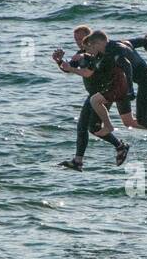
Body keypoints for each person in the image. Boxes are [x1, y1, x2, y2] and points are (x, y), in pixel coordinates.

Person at [85, 31, 147, 158]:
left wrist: (129, 90)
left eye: (93, 46)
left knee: (143, 119)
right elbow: (145, 41)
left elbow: (127, 66)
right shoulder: (122, 43)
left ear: (99, 42)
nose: (94, 49)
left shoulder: (114, 51)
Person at [55, 26, 131, 170]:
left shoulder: (96, 53)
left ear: (89, 38)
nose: (78, 41)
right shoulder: (81, 54)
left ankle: (120, 146)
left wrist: (76, 64)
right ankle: (78, 160)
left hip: (102, 94)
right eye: (76, 39)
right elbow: (69, 67)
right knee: (85, 127)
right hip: (93, 95)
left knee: (92, 128)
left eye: (80, 38)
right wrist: (59, 61)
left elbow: (87, 73)